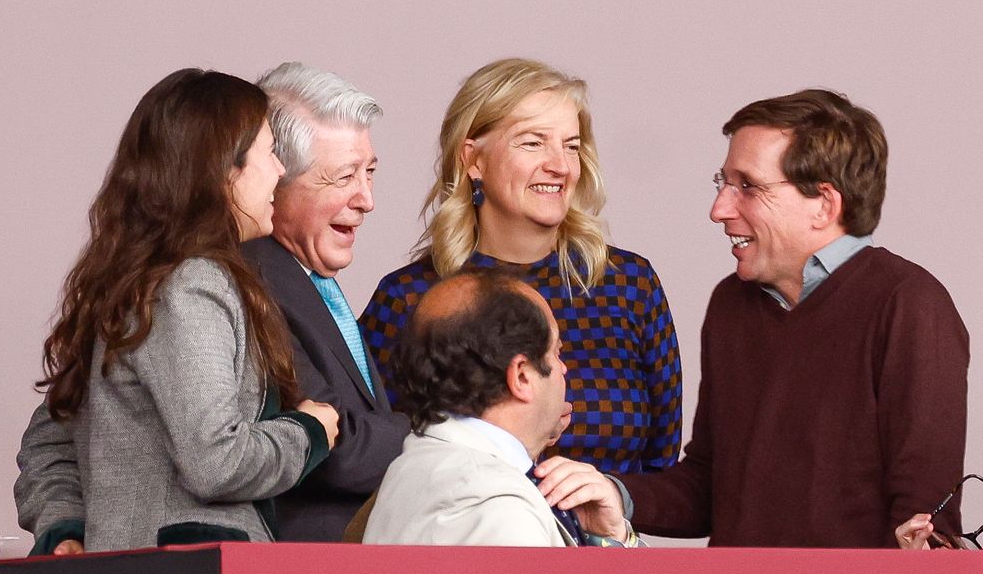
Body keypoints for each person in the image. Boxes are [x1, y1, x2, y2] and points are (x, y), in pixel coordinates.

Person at [616, 89, 969, 547]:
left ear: (824, 204)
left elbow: (927, 520)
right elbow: (708, 487)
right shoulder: (731, 304)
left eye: (747, 186)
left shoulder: (909, 304)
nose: (719, 209)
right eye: (722, 183)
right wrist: (614, 495)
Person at [13, 69, 339, 553]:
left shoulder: (134, 282)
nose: (280, 170)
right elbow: (217, 462)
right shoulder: (192, 284)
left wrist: (67, 529)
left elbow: (49, 441)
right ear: (224, 168)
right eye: (270, 151)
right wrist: (309, 431)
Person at [360, 58, 682, 480]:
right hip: (463, 542)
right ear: (473, 160)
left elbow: (660, 464)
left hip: (602, 542)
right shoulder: (410, 298)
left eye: (571, 145)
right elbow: (375, 456)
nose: (560, 165)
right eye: (533, 143)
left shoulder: (630, 284)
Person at [240, 62, 409, 541]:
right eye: (344, 177)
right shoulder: (249, 279)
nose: (367, 200)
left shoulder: (308, 276)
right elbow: (336, 450)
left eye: (370, 173)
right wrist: (451, 440)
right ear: (276, 177)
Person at [363, 271, 637, 547]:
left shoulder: (420, 465)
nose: (563, 368)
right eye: (556, 352)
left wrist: (606, 538)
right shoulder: (499, 507)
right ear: (521, 376)